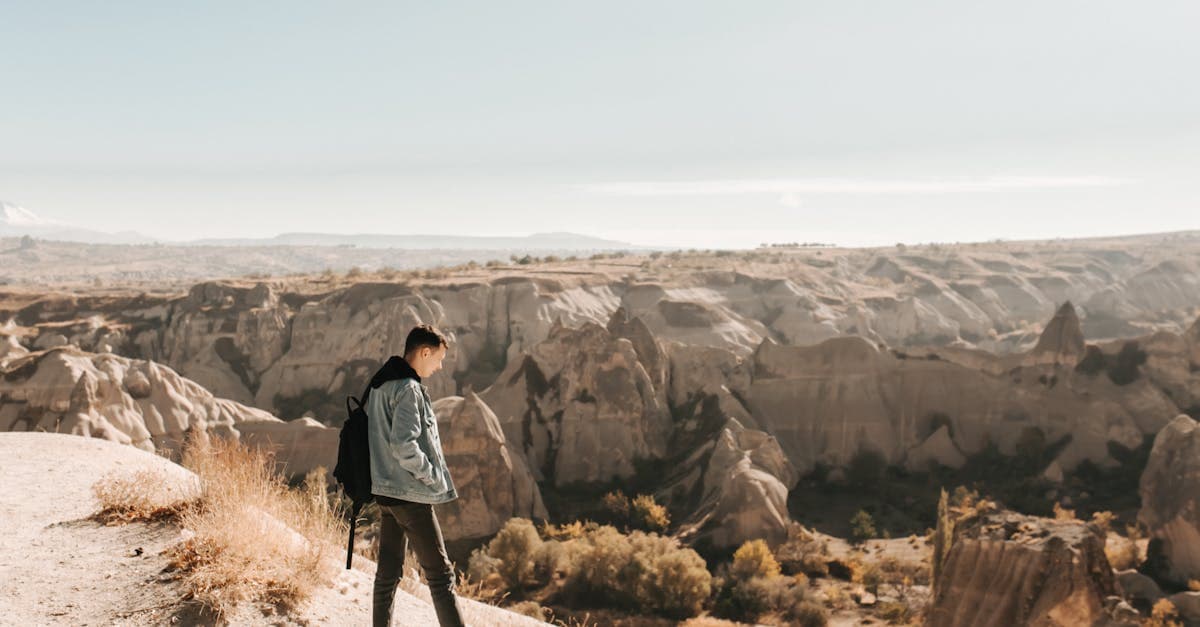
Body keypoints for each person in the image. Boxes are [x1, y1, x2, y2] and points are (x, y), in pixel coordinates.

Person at [366, 324, 463, 627]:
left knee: (388, 574)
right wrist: (432, 475)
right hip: (409, 495)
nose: (440, 366)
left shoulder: (382, 384)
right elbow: (404, 445)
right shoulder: (408, 388)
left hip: (386, 493)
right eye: (438, 358)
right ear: (424, 352)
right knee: (441, 576)